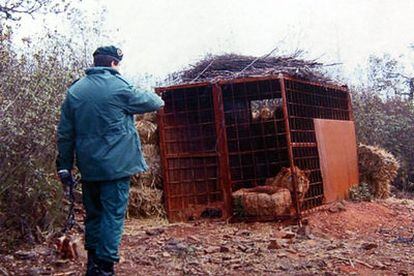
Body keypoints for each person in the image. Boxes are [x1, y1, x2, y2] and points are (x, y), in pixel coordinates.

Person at [56, 46, 164, 275]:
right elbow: (155, 102)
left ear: (95, 63)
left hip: (89, 168)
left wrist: (64, 166)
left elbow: (65, 133)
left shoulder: (75, 91)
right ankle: (105, 269)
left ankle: (93, 265)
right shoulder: (119, 87)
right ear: (114, 64)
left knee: (94, 215)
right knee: (112, 216)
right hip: (116, 169)